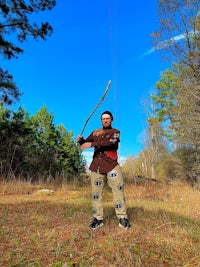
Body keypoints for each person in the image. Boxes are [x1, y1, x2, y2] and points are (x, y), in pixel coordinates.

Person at [77, 110, 131, 230]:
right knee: (96, 194)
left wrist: (91, 144)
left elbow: (111, 144)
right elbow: (84, 144)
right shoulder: (95, 132)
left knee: (119, 190)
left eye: (107, 118)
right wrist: (81, 140)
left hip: (111, 164)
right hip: (96, 166)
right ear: (101, 120)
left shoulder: (115, 132)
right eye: (103, 118)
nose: (105, 120)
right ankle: (98, 219)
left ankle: (122, 217)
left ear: (111, 120)